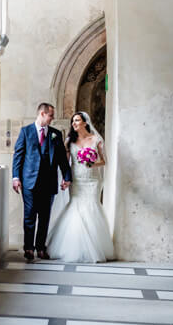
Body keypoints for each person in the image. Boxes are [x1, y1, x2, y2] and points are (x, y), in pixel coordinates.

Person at [46, 111, 115, 263]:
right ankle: (73, 247)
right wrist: (65, 179)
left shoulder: (96, 139)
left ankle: (94, 248)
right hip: (76, 179)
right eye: (73, 121)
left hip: (92, 180)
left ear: (85, 122)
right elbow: (65, 163)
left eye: (77, 120)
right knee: (76, 207)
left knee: (91, 208)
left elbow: (104, 161)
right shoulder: (70, 141)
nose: (74, 124)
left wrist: (92, 163)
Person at [12, 102, 71, 261]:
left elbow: (61, 160)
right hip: (29, 182)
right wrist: (16, 177)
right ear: (42, 114)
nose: (53, 118)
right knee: (29, 216)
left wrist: (67, 177)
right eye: (51, 115)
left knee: (44, 217)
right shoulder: (26, 132)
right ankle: (29, 248)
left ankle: (40, 248)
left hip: (49, 183)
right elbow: (18, 156)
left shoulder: (55, 134)